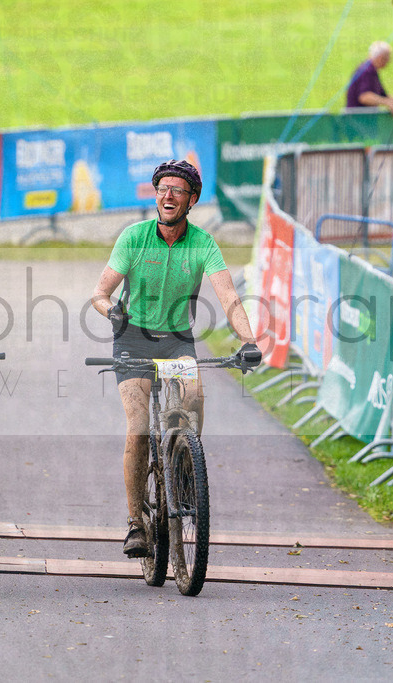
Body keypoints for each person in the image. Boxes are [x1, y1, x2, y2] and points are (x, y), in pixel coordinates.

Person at [91, 159, 262, 557]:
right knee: (137, 426)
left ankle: (184, 470)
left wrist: (249, 340)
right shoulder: (134, 238)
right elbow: (99, 293)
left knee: (192, 402)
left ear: (192, 200)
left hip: (177, 340)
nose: (168, 196)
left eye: (177, 191)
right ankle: (136, 522)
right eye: (162, 189)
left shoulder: (203, 243)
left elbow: (230, 298)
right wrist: (112, 310)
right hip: (133, 337)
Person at [346, 41, 393, 117]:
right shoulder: (367, 71)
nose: (389, 61)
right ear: (381, 58)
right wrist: (387, 103)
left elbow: (384, 96)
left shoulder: (371, 71)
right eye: (387, 58)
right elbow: (364, 97)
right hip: (358, 120)